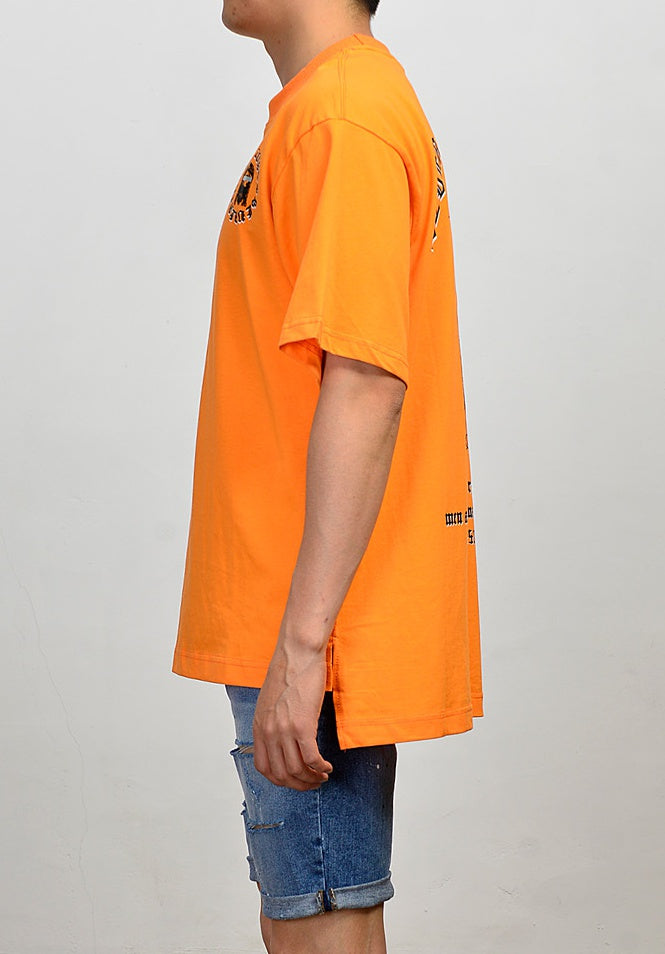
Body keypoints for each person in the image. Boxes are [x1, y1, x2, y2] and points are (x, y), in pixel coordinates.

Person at [171, 1, 484, 951]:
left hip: (311, 622)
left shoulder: (343, 113)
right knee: (314, 914)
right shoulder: (329, 107)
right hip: (298, 609)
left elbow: (366, 380)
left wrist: (304, 647)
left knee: (321, 925)